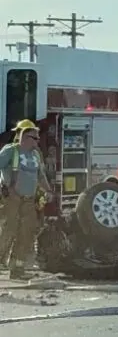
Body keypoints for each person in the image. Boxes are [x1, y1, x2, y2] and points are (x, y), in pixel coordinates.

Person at [0, 119, 53, 279]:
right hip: (12, 198)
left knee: (27, 232)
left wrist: (48, 191)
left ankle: (18, 268)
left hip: (29, 200)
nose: (38, 141)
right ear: (24, 137)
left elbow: (40, 175)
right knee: (9, 230)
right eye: (34, 138)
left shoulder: (36, 155)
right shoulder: (11, 150)